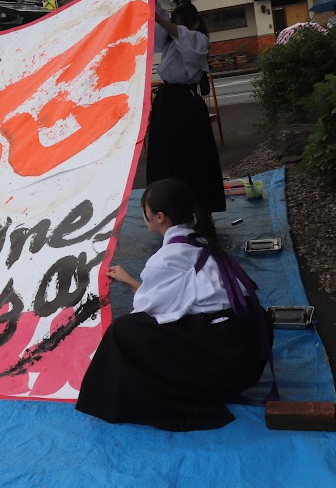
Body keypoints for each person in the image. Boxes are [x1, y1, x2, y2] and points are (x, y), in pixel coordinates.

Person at [76, 178, 271, 431]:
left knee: (123, 331)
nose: (143, 214)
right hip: (248, 354)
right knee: (163, 325)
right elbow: (181, 298)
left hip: (226, 367)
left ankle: (148, 398)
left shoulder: (167, 258)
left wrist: (135, 286)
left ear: (159, 217)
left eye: (144, 209)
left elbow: (148, 312)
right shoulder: (202, 242)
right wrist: (132, 281)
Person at [148, 2, 225, 214]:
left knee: (189, 157)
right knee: (166, 155)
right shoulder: (172, 41)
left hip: (185, 104)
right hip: (167, 101)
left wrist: (159, 18)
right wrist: (152, 1)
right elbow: (165, 30)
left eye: (180, 25)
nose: (176, 29)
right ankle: (170, 208)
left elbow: (179, 33)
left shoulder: (199, 40)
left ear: (195, 23)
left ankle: (196, 208)